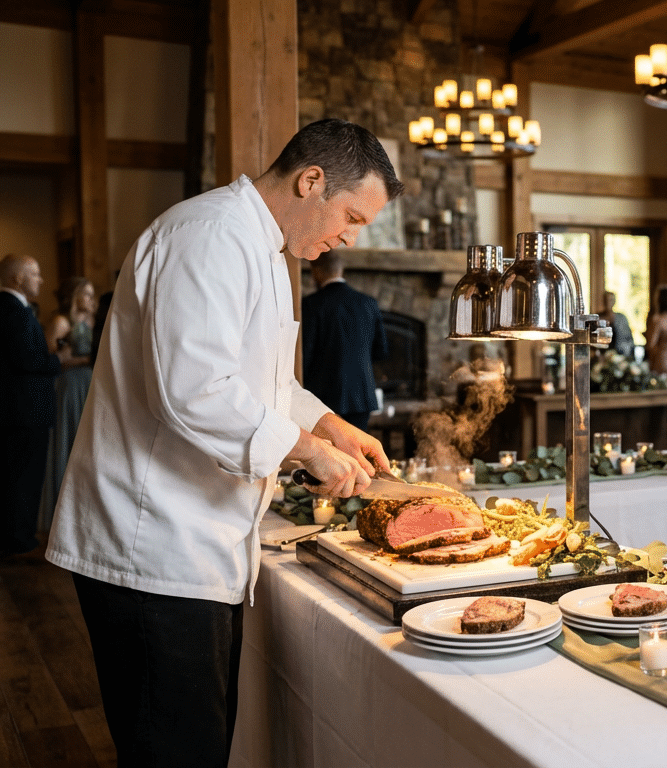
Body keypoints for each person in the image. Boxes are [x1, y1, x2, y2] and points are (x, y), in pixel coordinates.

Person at [45, 118, 404, 768]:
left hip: (198, 548)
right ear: (311, 180)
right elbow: (197, 390)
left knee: (200, 749)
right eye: (352, 215)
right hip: (154, 547)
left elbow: (260, 382)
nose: (351, 236)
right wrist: (310, 452)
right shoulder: (209, 235)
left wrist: (330, 424)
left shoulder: (262, 248)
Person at [1, 254, 65, 557]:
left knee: (13, 476)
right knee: (23, 479)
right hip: (26, 412)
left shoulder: (9, 309)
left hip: (14, 410)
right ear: (18, 279)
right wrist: (58, 360)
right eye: (35, 274)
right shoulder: (18, 312)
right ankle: (19, 539)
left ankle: (14, 535)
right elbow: (30, 360)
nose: (40, 280)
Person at [301, 250, 389, 432]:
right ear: (341, 270)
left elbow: (305, 354)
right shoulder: (369, 303)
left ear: (316, 271)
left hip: (323, 396)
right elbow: (381, 351)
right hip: (362, 395)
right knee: (358, 453)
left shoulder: (311, 304)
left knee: (328, 454)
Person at [39, 276, 98, 531]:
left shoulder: (94, 320)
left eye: (92, 293)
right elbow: (49, 359)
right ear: (73, 296)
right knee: (68, 438)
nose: (90, 299)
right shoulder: (61, 322)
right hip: (69, 385)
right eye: (85, 293)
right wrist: (86, 361)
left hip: (91, 384)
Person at [599, 290, 635, 358]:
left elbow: (629, 339)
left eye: (610, 300)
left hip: (619, 356)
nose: (608, 302)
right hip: (602, 355)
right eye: (606, 300)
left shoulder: (621, 318)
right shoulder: (598, 318)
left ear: (614, 302)